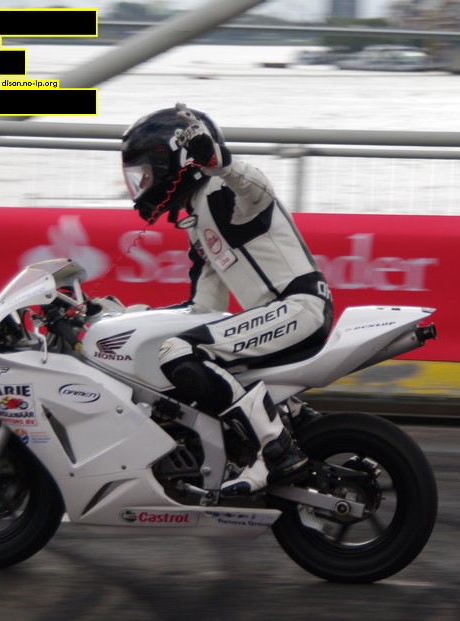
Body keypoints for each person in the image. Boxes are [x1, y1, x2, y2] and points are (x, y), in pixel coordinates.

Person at [120, 103, 333, 496]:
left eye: (146, 172)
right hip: (277, 315)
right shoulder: (197, 217)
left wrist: (221, 163)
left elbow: (258, 189)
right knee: (184, 351)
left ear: (172, 162)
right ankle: (282, 438)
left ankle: (275, 450)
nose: (142, 185)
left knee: (178, 352)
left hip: (298, 307)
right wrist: (124, 318)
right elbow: (203, 308)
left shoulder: (223, 191)